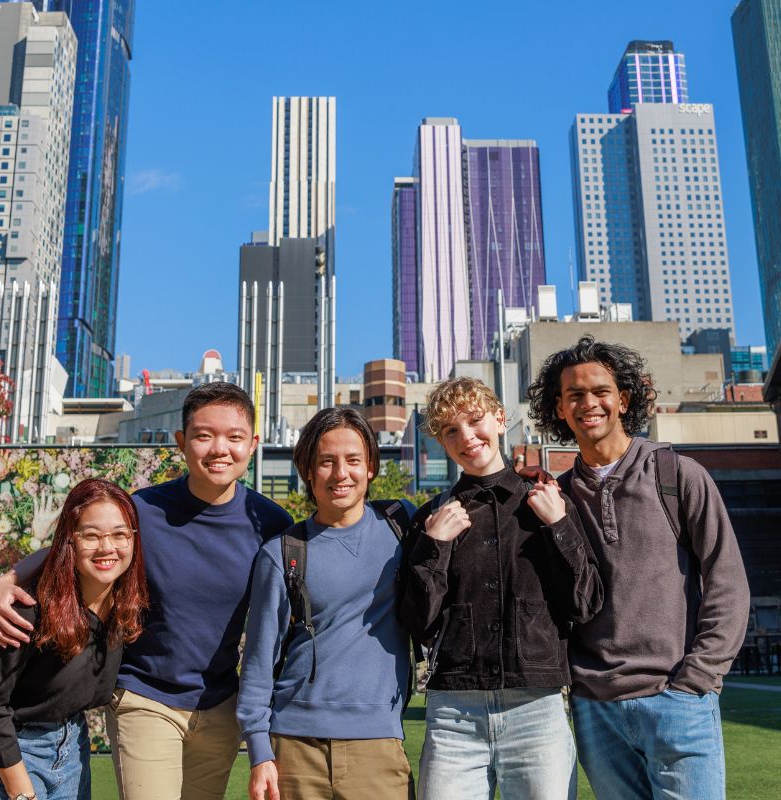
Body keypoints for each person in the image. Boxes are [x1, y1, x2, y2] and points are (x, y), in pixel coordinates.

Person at [0, 382, 292, 799]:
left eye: (234, 437)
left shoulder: (270, 522)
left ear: (253, 444)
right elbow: (77, 543)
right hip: (145, 697)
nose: (220, 449)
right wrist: (6, 581)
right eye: (204, 435)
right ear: (182, 442)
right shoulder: (143, 511)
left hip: (220, 706)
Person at [526, 336, 750, 799]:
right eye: (575, 396)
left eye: (600, 391)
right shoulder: (557, 499)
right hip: (596, 710)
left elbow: (726, 581)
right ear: (560, 410)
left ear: (623, 399)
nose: (589, 403)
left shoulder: (678, 475)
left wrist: (698, 679)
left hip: (677, 699)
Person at [399, 377, 603, 799]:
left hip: (537, 707)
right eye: (451, 431)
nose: (467, 437)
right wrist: (434, 548)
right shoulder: (431, 519)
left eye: (475, 421)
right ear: (441, 441)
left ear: (500, 419)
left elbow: (584, 603)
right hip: (453, 713)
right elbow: (419, 623)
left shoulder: (549, 501)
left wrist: (559, 527)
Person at [238, 407, 414, 800]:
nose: (340, 474)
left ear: (370, 467)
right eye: (326, 462)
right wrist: (258, 751)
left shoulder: (404, 528)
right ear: (308, 471)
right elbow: (259, 659)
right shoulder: (282, 553)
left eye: (353, 460)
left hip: (379, 743)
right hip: (294, 748)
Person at [0, 478, 148, 800]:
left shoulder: (128, 604)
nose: (107, 547)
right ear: (69, 540)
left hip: (70, 741)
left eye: (119, 534)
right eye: (91, 535)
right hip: (7, 748)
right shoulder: (24, 613)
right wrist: (21, 792)